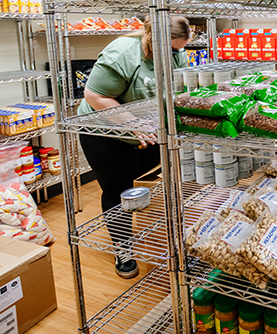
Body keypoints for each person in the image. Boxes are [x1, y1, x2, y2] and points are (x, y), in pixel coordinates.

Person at [77, 14, 191, 278]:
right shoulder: (122, 54)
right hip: (105, 134)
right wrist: (131, 123)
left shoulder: (175, 54)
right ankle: (123, 249)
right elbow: (95, 95)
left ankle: (163, 235)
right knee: (119, 190)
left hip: (147, 130)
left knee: (155, 183)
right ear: (157, 40)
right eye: (174, 48)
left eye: (180, 49)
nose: (177, 54)